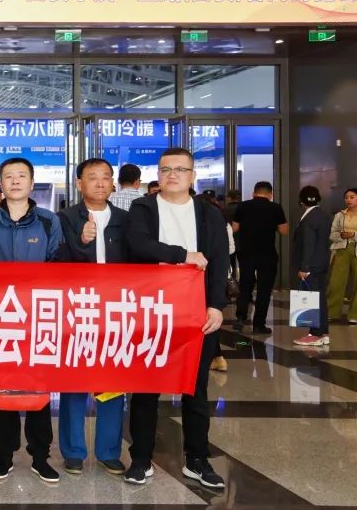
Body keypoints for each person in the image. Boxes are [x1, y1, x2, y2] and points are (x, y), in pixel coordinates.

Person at [124, 148, 228, 489]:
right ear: (158, 174)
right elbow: (138, 244)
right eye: (166, 169)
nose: (173, 175)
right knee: (146, 387)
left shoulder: (208, 213)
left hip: (196, 311)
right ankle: (141, 458)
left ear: (192, 176)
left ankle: (197, 459)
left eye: (180, 169)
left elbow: (219, 260)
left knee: (195, 387)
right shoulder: (143, 207)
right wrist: (183, 255)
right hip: (151, 309)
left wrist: (216, 305)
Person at [0, 157, 64, 484]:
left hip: (37, 317)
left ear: (32, 183)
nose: (16, 181)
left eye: (22, 175)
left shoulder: (49, 221)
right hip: (0, 317)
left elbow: (60, 267)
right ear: (1, 184)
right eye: (9, 176)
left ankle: (40, 456)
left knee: (38, 387)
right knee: (3, 387)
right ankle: (4, 455)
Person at [56, 158, 127, 477]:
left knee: (112, 382)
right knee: (73, 381)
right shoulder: (64, 218)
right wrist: (82, 242)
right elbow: (57, 261)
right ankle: (73, 452)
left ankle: (109, 451)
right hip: (77, 310)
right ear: (79, 183)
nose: (100, 183)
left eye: (106, 177)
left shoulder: (125, 219)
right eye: (93, 177)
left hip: (115, 311)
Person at [232, 181, 288, 334]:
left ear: (254, 193)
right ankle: (258, 325)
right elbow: (284, 231)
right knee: (264, 290)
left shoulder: (243, 206)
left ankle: (240, 319)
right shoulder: (275, 208)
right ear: (270, 194)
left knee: (245, 286)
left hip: (246, 254)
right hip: (267, 255)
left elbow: (235, 228)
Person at [293, 186, 333, 346]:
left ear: (301, 201)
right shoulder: (324, 215)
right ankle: (323, 333)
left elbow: (308, 244)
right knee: (320, 299)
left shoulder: (308, 219)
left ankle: (315, 334)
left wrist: (304, 267)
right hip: (322, 262)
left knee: (311, 300)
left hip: (311, 265)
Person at [326, 188, 357, 325]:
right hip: (341, 249)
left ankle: (354, 314)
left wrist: (353, 235)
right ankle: (331, 313)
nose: (348, 200)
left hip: (356, 249)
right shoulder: (339, 215)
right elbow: (332, 234)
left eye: (352, 197)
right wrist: (341, 235)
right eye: (346, 197)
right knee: (336, 282)